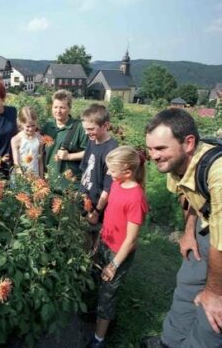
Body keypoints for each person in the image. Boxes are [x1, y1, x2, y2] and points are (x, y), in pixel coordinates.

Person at [143, 108, 222, 348]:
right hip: (207, 224)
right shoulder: (177, 164)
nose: (153, 156)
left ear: (188, 143)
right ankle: (170, 341)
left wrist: (214, 292)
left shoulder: (218, 174)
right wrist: (189, 232)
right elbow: (187, 197)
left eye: (160, 149)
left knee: (213, 314)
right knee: (188, 281)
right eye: (150, 149)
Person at [87, 146, 148, 348]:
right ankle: (100, 316)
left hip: (118, 254)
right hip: (105, 243)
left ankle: (99, 338)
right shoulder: (117, 184)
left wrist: (113, 265)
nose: (108, 173)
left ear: (127, 171)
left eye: (112, 170)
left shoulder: (136, 198)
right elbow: (110, 218)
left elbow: (130, 239)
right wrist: (99, 240)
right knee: (98, 280)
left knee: (108, 294)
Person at [41, 89, 87, 191]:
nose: (58, 111)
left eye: (62, 107)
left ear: (69, 108)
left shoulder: (79, 127)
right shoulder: (48, 126)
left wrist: (69, 156)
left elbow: (90, 152)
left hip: (70, 186)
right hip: (49, 183)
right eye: (55, 107)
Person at [80, 104, 118, 225]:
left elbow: (108, 187)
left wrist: (96, 212)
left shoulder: (111, 151)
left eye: (91, 129)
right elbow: (85, 169)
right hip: (85, 198)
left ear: (105, 125)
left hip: (97, 205)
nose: (87, 133)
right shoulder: (92, 140)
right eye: (85, 129)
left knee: (92, 237)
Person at [11, 106, 44, 178]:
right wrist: (22, 177)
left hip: (35, 177)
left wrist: (41, 179)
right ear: (21, 123)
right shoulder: (16, 139)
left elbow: (40, 162)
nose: (31, 129)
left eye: (33, 125)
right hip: (21, 177)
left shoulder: (40, 138)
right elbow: (16, 163)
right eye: (28, 126)